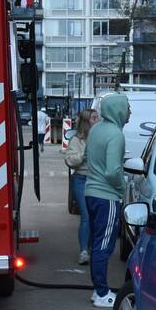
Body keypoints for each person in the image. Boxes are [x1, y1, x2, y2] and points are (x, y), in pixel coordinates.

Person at [84, 93, 130, 308]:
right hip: (107, 196)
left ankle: (97, 290)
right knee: (104, 246)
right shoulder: (115, 135)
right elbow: (113, 171)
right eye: (127, 107)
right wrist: (123, 187)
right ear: (118, 110)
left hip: (91, 193)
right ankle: (102, 294)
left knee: (96, 243)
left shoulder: (96, 129)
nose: (130, 112)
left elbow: (88, 157)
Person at [64, 109, 97, 265]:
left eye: (97, 117)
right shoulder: (76, 140)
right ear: (86, 122)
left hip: (97, 180)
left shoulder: (100, 138)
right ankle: (84, 251)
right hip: (81, 180)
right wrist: (83, 155)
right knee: (86, 215)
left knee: (95, 216)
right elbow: (70, 161)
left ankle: (91, 248)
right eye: (93, 118)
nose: (97, 120)